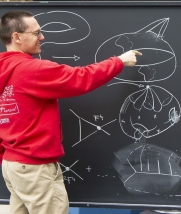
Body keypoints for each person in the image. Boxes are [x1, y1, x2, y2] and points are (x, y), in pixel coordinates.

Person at [0, 10, 142, 214]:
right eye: (36, 33)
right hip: (34, 165)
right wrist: (118, 62)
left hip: (13, 164)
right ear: (17, 37)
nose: (42, 37)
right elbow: (80, 78)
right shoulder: (31, 70)